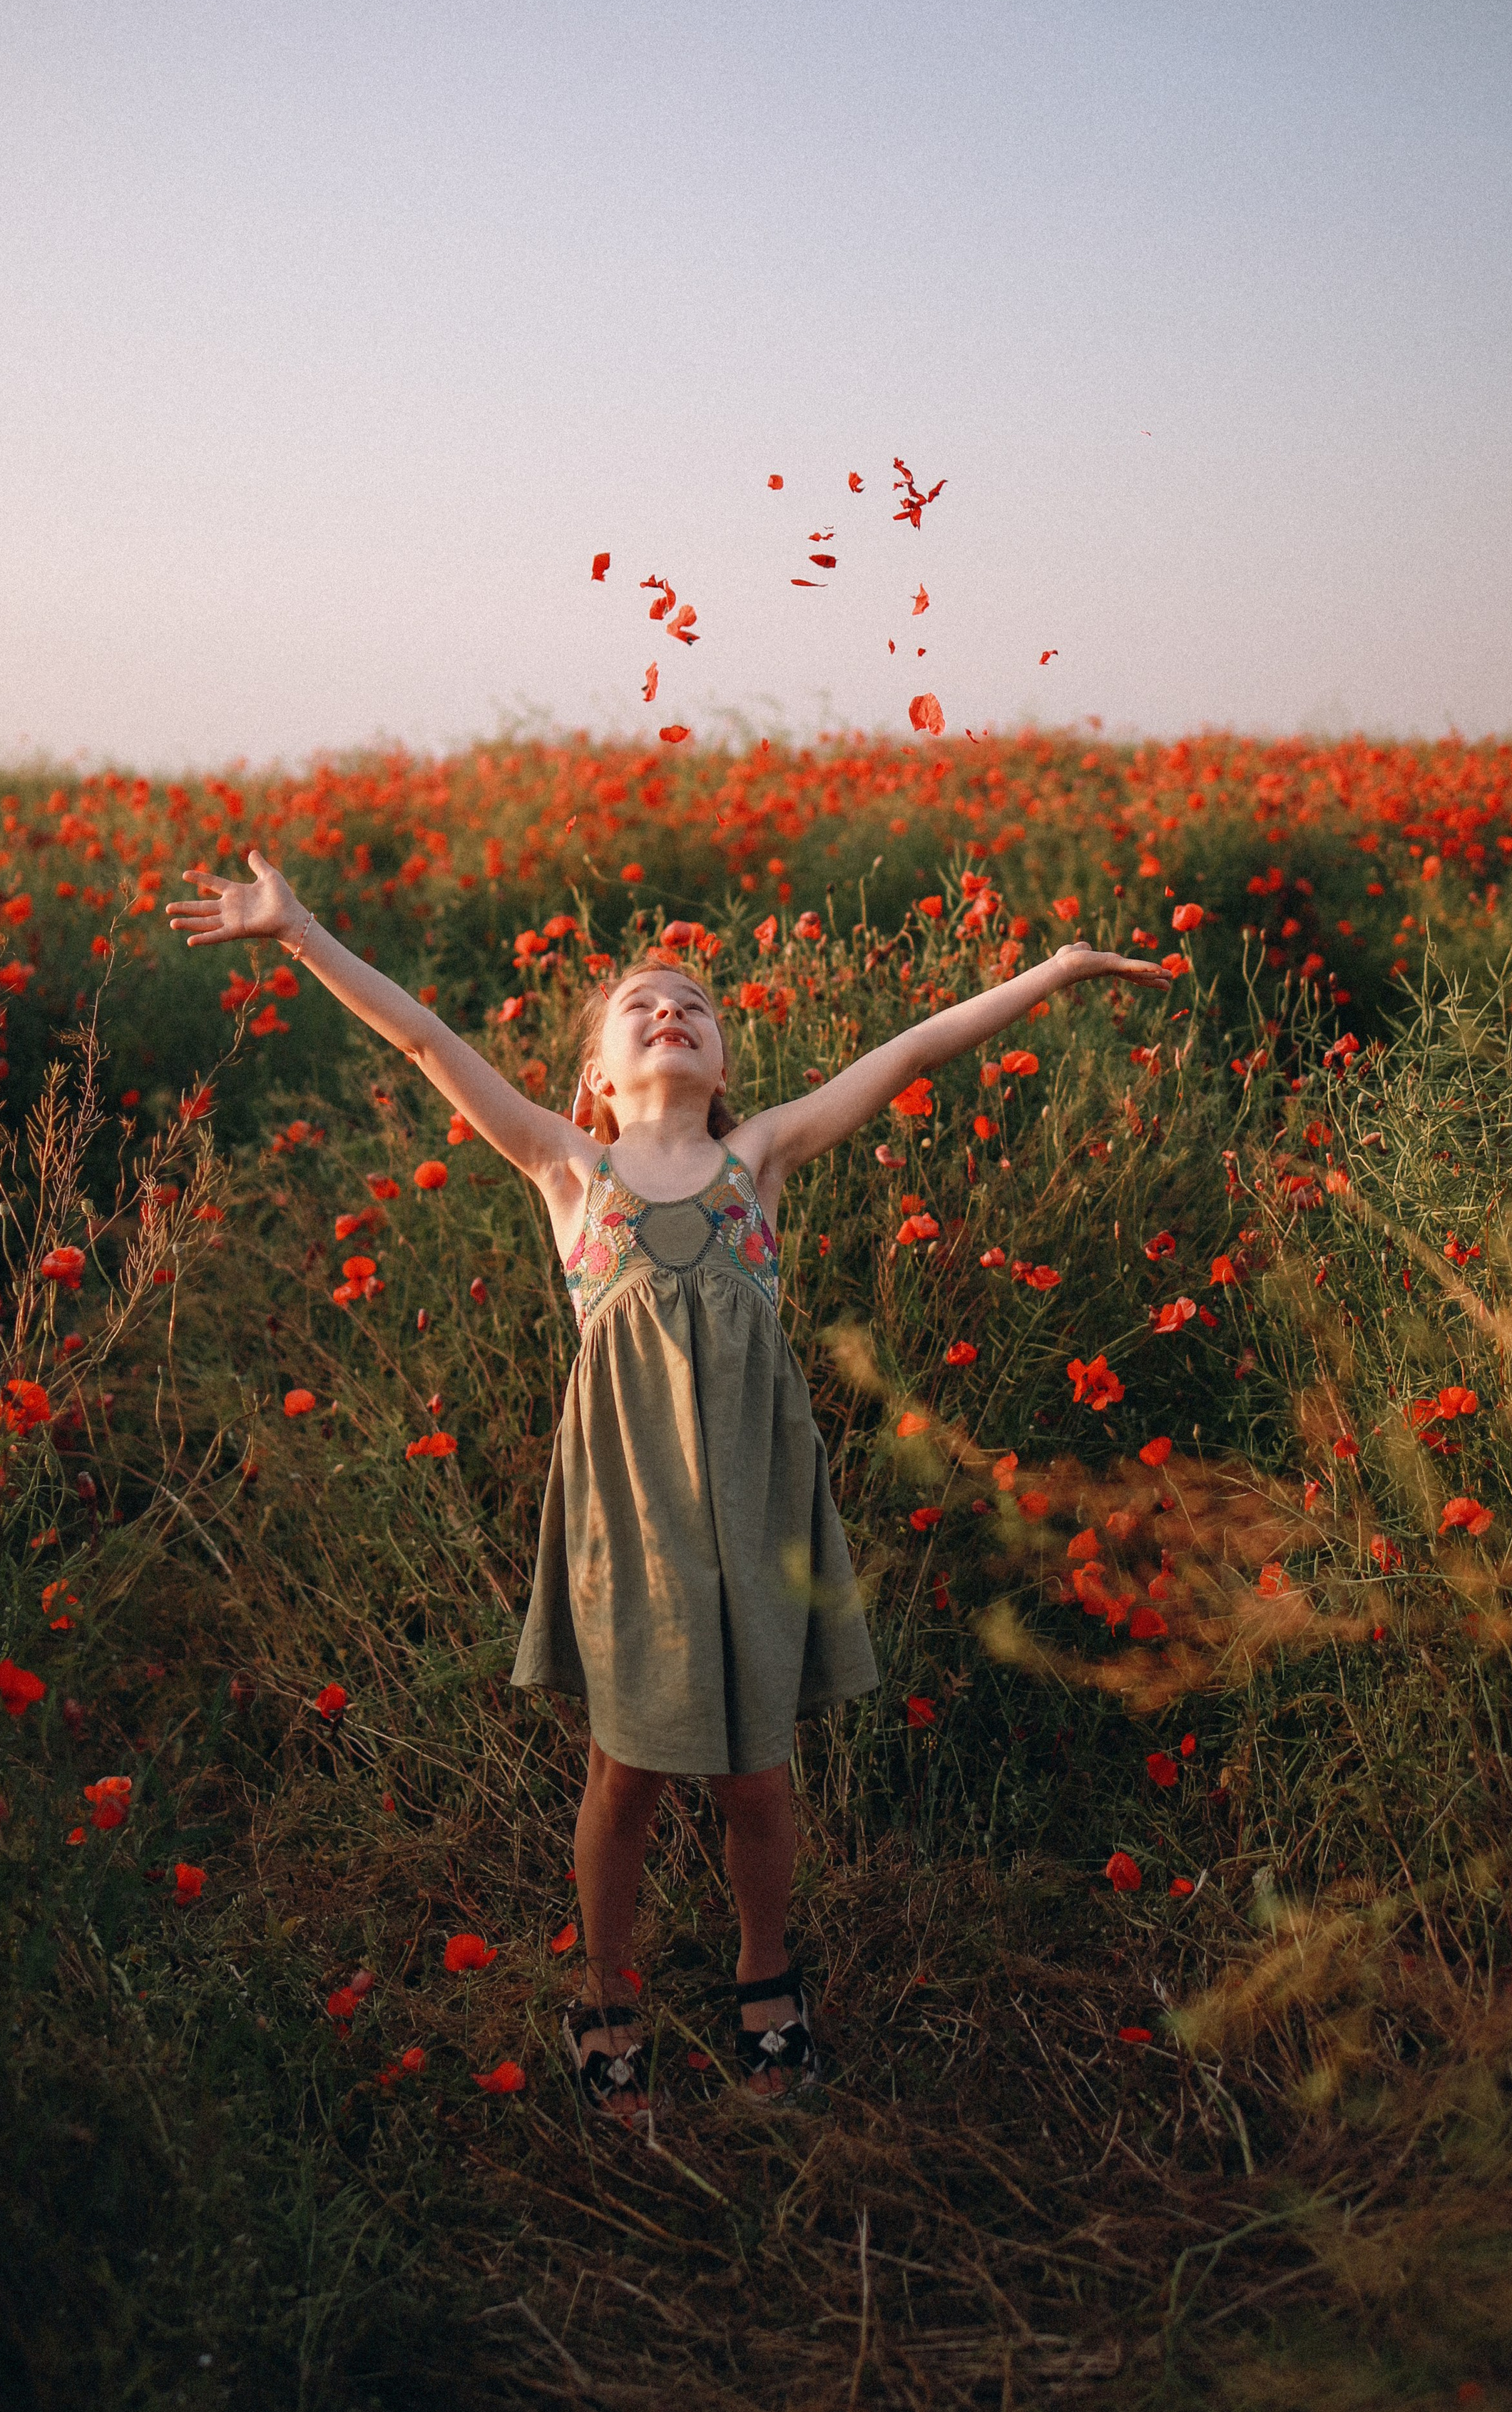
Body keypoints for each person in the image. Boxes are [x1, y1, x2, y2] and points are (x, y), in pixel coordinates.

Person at [168, 849, 1167, 2118]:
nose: (670, 1010)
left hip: (751, 1505)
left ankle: (767, 1977)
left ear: (725, 1066)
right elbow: (425, 1041)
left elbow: (913, 1053)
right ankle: (609, 1988)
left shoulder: (761, 1157)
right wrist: (300, 930)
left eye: (693, 1003)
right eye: (641, 1003)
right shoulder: (568, 1171)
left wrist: (1054, 972)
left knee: (757, 1774)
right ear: (597, 1075)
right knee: (624, 1773)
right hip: (627, 1521)